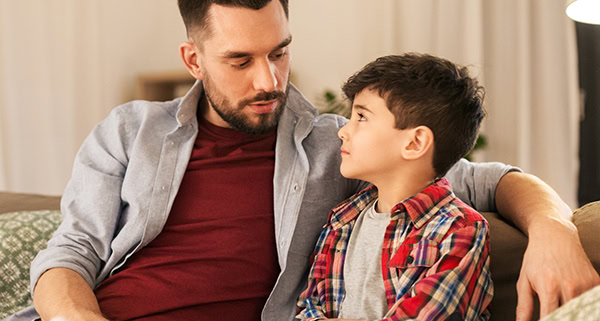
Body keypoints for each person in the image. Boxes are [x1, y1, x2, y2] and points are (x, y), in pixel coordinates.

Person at [7, 1, 598, 321]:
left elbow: (487, 180)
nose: (269, 80)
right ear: (193, 58)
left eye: (280, 52)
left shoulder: (340, 146)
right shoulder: (129, 131)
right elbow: (72, 251)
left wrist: (553, 229)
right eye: (240, 61)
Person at [296, 53, 493, 321]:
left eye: (362, 117)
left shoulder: (459, 231)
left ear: (414, 143)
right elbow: (309, 307)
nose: (343, 131)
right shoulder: (342, 220)